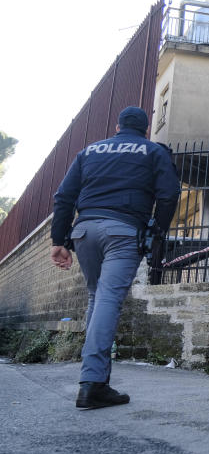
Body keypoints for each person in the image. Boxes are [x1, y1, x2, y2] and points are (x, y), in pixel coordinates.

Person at [50, 106, 179, 409]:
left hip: (84, 232)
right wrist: (156, 231)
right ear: (146, 129)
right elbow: (169, 194)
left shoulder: (89, 151)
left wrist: (59, 241)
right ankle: (92, 384)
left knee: (97, 297)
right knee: (108, 299)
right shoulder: (152, 151)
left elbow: (63, 197)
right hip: (123, 232)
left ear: (118, 127)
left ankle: (96, 380)